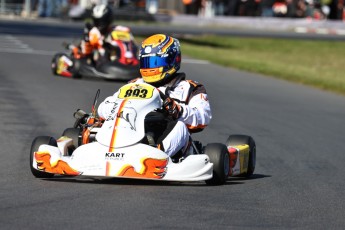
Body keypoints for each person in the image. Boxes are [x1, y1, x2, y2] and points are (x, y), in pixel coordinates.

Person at [97, 34, 212, 159]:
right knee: (97, 125)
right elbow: (104, 107)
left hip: (166, 137)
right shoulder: (135, 84)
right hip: (131, 132)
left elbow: (203, 117)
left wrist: (177, 110)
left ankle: (154, 158)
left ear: (173, 60)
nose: (150, 67)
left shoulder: (189, 88)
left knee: (180, 126)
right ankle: (98, 150)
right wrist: (113, 109)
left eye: (155, 62)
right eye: (147, 62)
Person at [70, 3, 138, 66]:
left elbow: (133, 43)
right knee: (103, 50)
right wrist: (88, 40)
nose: (100, 23)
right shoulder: (94, 32)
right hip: (102, 60)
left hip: (121, 58)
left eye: (102, 21)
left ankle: (132, 62)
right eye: (97, 21)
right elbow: (86, 51)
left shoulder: (121, 29)